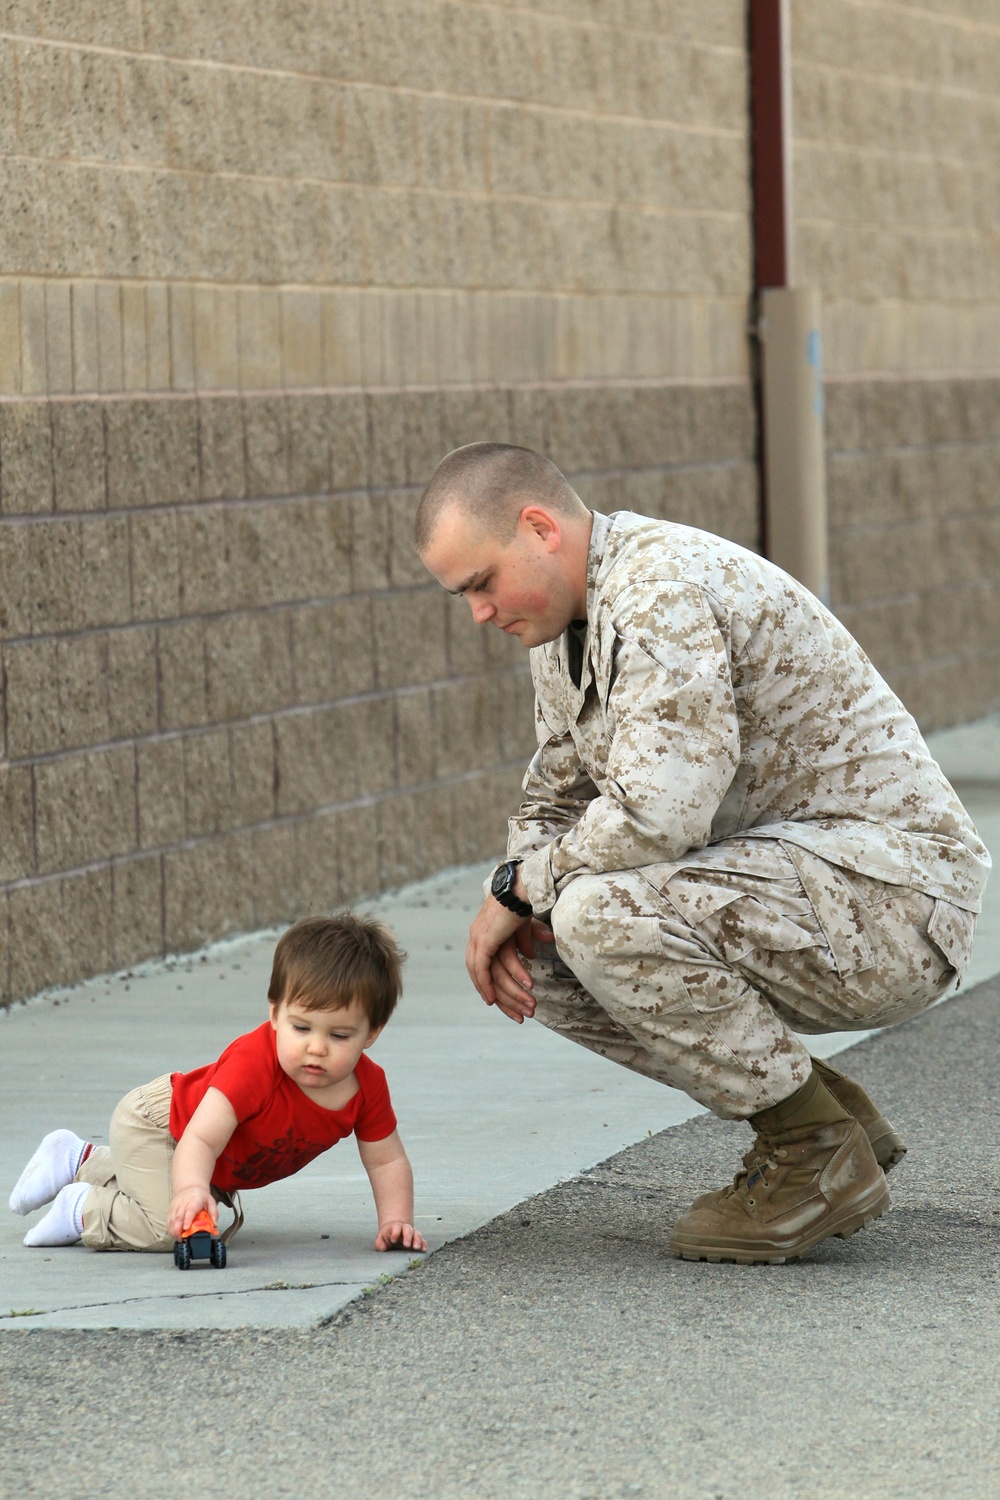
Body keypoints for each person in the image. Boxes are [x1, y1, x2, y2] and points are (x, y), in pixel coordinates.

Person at [415, 441, 990, 1265]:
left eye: (480, 582)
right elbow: (555, 796)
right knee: (540, 951)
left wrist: (519, 889)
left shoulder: (660, 592)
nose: (476, 611)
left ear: (539, 527)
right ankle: (824, 1115)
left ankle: (812, 1153)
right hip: (797, 885)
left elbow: (659, 812)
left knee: (592, 911)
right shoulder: (565, 628)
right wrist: (512, 898)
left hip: (894, 901)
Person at [10, 913, 427, 1256]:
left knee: (168, 1192)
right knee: (169, 1226)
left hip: (198, 1150)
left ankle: (77, 1159)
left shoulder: (367, 1088)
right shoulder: (255, 1064)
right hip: (161, 1125)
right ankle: (82, 1208)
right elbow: (203, 1140)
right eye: (301, 1027)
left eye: (339, 1036)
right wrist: (191, 1190)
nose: (316, 1048)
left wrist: (396, 1221)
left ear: (372, 1032)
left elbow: (386, 1161)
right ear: (276, 1014)